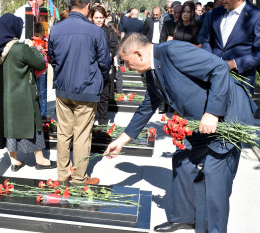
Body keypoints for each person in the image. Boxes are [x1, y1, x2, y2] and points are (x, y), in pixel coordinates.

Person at [104, 32, 256, 232]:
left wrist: (213, 112)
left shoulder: (173, 51)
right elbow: (148, 105)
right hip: (201, 122)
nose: (127, 68)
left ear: (138, 54)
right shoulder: (151, 71)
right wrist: (123, 139)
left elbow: (219, 68)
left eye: (127, 62)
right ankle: (184, 217)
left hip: (227, 116)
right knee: (182, 160)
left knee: (214, 174)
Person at [48, 0, 111, 185]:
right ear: (87, 7)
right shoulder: (95, 31)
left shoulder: (56, 29)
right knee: (82, 134)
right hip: (86, 88)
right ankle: (79, 177)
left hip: (64, 88)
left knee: (64, 133)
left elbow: (51, 58)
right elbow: (105, 62)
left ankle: (63, 174)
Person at [0, 13, 57, 172]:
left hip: (4, 98)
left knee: (9, 127)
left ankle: (14, 161)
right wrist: (31, 47)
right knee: (33, 126)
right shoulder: (20, 48)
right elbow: (41, 63)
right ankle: (40, 160)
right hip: (23, 97)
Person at [202, 0, 260, 95]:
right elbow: (207, 41)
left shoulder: (256, 16)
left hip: (240, 83)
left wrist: (234, 63)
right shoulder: (215, 13)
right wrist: (210, 60)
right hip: (213, 78)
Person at [91, 5, 119, 125]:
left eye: (101, 17)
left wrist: (109, 55)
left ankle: (102, 120)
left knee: (104, 93)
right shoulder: (89, 30)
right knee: (92, 94)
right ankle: (91, 118)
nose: (98, 20)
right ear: (92, 18)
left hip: (106, 66)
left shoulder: (109, 31)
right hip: (91, 67)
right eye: (96, 17)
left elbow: (114, 46)